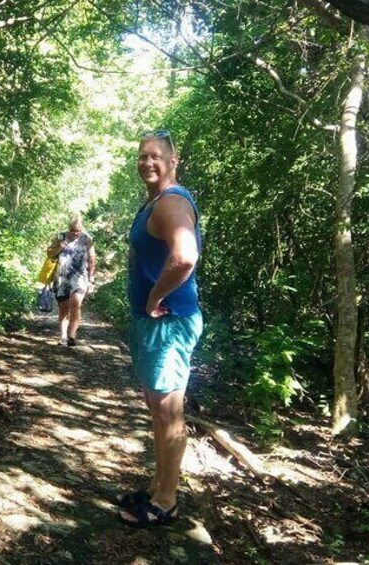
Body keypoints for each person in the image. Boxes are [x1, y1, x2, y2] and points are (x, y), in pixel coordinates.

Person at [117, 129, 203, 527]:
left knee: (168, 410)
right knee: (159, 407)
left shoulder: (170, 203)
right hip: (158, 325)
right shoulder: (156, 202)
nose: (147, 162)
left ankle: (166, 501)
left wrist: (154, 297)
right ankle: (158, 487)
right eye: (142, 156)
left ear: (173, 161)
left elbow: (185, 257)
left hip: (167, 323)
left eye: (155, 156)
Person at [46, 214, 96, 346]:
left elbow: (92, 259)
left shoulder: (86, 239)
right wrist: (60, 247)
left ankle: (72, 336)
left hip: (80, 277)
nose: (76, 233)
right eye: (73, 230)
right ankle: (63, 336)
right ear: (69, 228)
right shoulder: (60, 237)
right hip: (62, 278)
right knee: (63, 308)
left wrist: (91, 277)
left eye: (78, 230)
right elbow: (49, 253)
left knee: (76, 304)